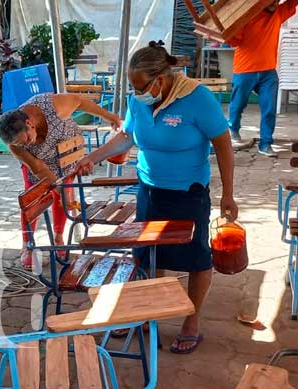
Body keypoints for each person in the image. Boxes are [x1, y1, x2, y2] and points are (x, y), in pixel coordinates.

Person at [74, 41, 238, 354]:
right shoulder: (139, 101)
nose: (137, 93)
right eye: (133, 87)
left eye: (141, 86)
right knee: (148, 255)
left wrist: (228, 194)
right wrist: (92, 158)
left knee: (196, 258)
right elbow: (127, 136)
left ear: (160, 79)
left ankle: (192, 321)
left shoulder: (197, 98)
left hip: (188, 193)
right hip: (149, 189)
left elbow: (223, 145)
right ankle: (145, 312)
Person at [0, 92, 122, 269]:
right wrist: (60, 191)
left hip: (64, 150)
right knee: (32, 198)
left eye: (24, 140)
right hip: (40, 160)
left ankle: (58, 237)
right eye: (17, 145)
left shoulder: (53, 107)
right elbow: (39, 169)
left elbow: (80, 102)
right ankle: (27, 244)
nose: (22, 146)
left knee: (64, 193)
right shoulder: (16, 145)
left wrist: (109, 116)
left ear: (29, 124)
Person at [226, 0, 298, 158]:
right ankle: (233, 130)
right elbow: (234, 40)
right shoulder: (247, 16)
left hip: (269, 71)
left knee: (269, 109)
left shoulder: (278, 13)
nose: (276, 2)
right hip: (245, 70)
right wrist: (227, 35)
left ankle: (266, 143)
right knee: (238, 105)